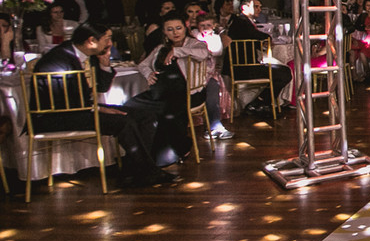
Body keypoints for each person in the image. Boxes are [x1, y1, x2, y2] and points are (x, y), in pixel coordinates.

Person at [31, 22, 174, 185]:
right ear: (91, 41)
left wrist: (105, 65)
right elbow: (62, 100)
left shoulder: (87, 55)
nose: (110, 44)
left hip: (82, 109)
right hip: (55, 116)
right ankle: (148, 172)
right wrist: (98, 109)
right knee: (123, 122)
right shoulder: (58, 60)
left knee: (146, 116)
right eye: (107, 39)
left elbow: (102, 88)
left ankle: (132, 171)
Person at [134, 13, 234, 164]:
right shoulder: (161, 48)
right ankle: (142, 154)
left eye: (178, 28)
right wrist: (148, 74)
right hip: (162, 92)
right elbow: (142, 65)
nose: (175, 32)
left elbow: (203, 53)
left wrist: (177, 51)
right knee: (132, 106)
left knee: (167, 109)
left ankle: (171, 152)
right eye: (170, 29)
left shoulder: (195, 44)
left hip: (190, 92)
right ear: (164, 32)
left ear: (185, 28)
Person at [222, 0, 291, 116]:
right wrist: (267, 38)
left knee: (283, 71)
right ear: (244, 8)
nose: (259, 9)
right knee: (284, 73)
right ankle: (259, 103)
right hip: (243, 67)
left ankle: (261, 103)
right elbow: (258, 36)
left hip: (246, 65)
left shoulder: (244, 22)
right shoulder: (241, 22)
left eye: (260, 7)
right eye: (256, 6)